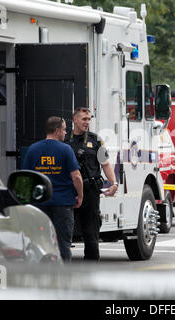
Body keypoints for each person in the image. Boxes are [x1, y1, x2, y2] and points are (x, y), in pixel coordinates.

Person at [22, 116, 83, 262]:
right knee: (63, 245)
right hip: (63, 204)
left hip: (40, 204)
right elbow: (76, 177)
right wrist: (80, 195)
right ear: (57, 131)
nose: (66, 133)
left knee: (39, 243)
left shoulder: (33, 149)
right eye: (64, 130)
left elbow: (26, 178)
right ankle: (63, 277)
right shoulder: (66, 150)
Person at [66, 107, 118, 261]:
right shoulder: (64, 140)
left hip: (90, 191)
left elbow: (105, 164)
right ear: (75, 120)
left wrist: (114, 183)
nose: (87, 122)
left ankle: (92, 270)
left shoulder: (95, 141)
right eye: (84, 119)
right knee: (65, 231)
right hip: (70, 191)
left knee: (91, 233)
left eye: (89, 119)